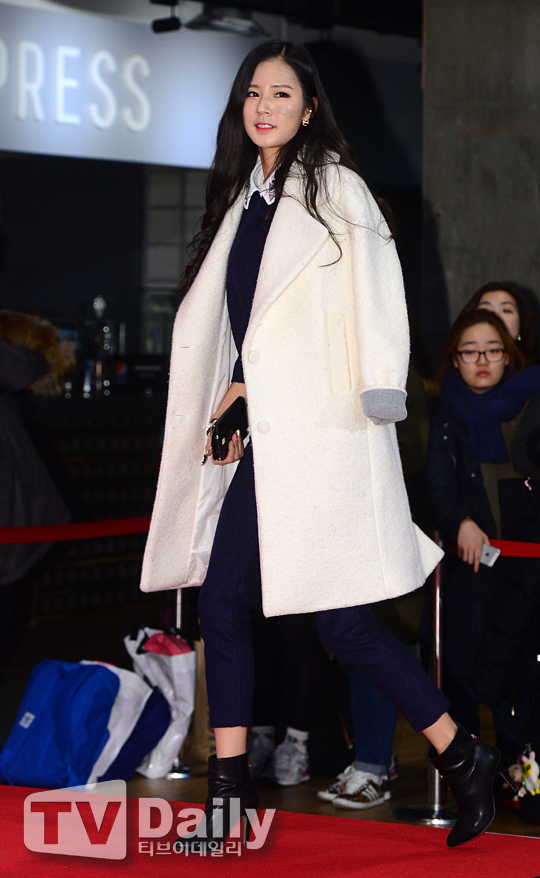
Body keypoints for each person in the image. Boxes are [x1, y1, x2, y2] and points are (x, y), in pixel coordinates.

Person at [140, 40, 513, 850]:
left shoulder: (335, 187)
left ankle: (462, 754)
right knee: (222, 604)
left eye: (282, 93)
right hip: (264, 441)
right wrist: (235, 391)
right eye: (253, 92)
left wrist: (379, 388)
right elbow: (250, 326)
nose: (264, 106)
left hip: (326, 435)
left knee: (342, 626)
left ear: (310, 110)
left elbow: (377, 287)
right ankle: (229, 798)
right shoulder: (243, 198)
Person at [425, 308, 540, 772]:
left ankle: (522, 775)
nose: (482, 361)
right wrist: (459, 522)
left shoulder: (530, 402)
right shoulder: (444, 413)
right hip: (474, 565)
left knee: (521, 672)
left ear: (508, 355)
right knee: (466, 669)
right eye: (470, 352)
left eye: (492, 351)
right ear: (455, 359)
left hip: (527, 564)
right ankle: (473, 778)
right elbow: (437, 488)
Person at [459, 281, 540, 366]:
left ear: (521, 325)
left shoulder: (534, 373)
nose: (496, 316)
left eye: (506, 310)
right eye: (485, 310)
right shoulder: (455, 370)